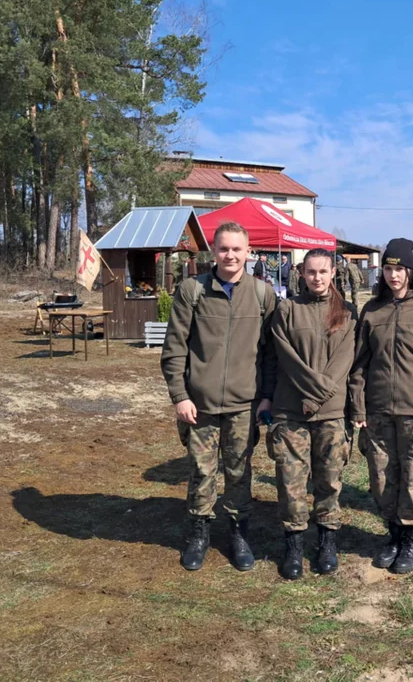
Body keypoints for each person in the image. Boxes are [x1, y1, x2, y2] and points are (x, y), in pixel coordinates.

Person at [161, 221, 277, 572]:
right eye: (224, 248)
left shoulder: (261, 294)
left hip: (245, 405)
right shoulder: (191, 290)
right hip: (200, 404)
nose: (230, 255)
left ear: (248, 252)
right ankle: (199, 532)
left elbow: (271, 353)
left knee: (239, 472)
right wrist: (180, 395)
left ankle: (239, 533)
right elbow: (174, 348)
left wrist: (267, 398)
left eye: (237, 249)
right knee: (201, 471)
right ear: (214, 250)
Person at [349, 238, 413, 574]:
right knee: (381, 476)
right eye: (389, 269)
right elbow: (359, 363)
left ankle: (411, 540)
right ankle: (392, 533)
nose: (394, 276)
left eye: (400, 269)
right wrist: (358, 407)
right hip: (377, 410)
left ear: (411, 271)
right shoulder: (371, 311)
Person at [265, 248, 358, 580]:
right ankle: (293, 546)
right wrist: (308, 397)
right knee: (290, 483)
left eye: (323, 271)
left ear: (333, 273)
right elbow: (285, 357)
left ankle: (327, 543)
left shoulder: (346, 314)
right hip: (291, 412)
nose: (317, 278)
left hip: (332, 416)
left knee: (329, 481)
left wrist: (317, 400)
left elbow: (343, 363)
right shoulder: (287, 310)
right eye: (310, 272)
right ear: (302, 274)